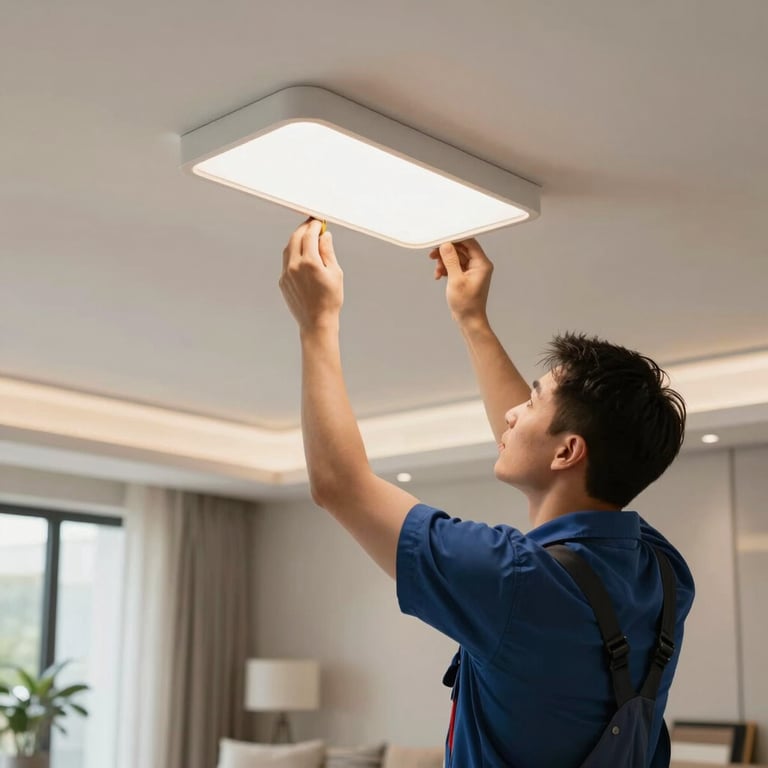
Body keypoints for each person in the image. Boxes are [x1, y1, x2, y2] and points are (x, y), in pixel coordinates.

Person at [279, 219, 695, 768]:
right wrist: (472, 320)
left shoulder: (513, 579)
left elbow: (339, 484)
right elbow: (548, 443)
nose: (513, 411)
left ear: (568, 451)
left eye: (533, 400)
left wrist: (316, 322)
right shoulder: (664, 573)